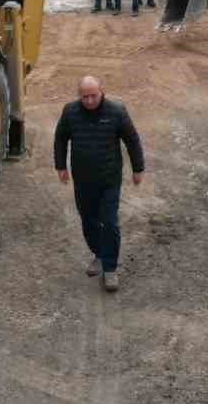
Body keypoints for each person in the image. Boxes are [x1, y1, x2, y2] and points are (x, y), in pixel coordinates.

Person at [53, 76, 145, 293]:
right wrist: (60, 167)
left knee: (109, 223)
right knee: (88, 221)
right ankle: (99, 254)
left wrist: (138, 168)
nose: (89, 101)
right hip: (83, 180)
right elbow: (60, 138)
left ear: (102, 92)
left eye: (93, 95)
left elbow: (132, 140)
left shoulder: (116, 112)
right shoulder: (70, 112)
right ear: (79, 96)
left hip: (109, 179)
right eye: (84, 97)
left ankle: (110, 269)